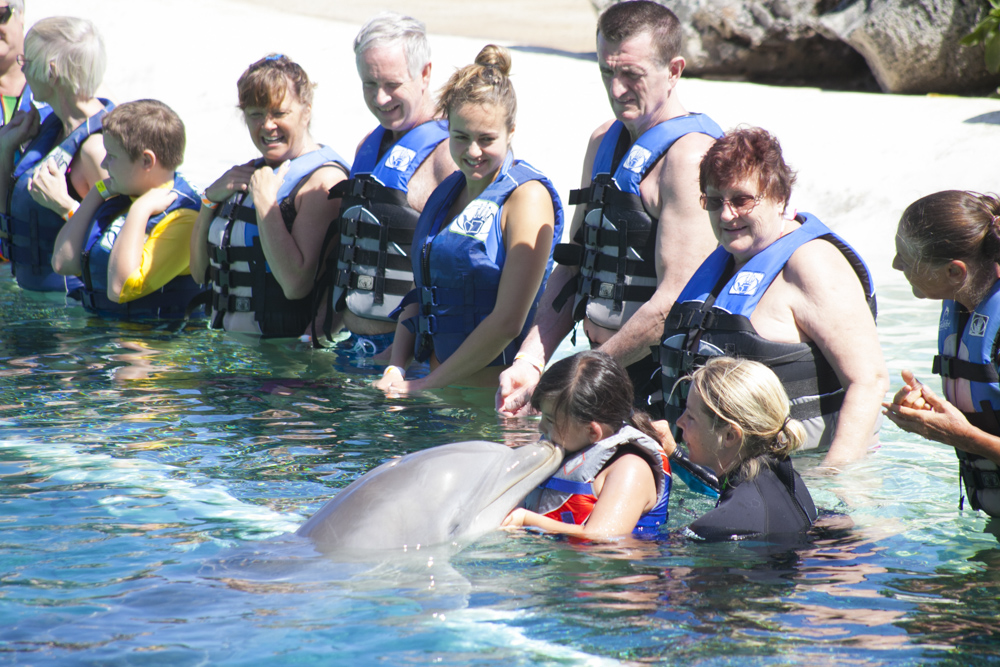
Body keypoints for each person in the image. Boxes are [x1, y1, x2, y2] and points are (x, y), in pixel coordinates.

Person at [496, 0, 722, 414]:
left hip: (660, 384)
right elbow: (573, 263)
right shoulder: (603, 142)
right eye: (607, 72)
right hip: (601, 369)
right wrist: (531, 360)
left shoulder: (688, 157)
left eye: (631, 74)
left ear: (674, 71)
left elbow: (672, 303)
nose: (616, 90)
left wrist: (581, 379)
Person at [656, 126, 887, 469]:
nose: (725, 215)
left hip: (803, 473)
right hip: (723, 474)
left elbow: (869, 381)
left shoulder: (811, 264)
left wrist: (835, 478)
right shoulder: (724, 261)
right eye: (714, 201)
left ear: (780, 197)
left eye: (741, 199)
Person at [373, 44, 563, 391]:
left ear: (511, 133)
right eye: (460, 137)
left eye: (487, 139)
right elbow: (422, 288)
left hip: (492, 409)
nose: (473, 152)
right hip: (434, 390)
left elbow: (508, 321)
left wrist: (425, 386)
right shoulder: (447, 193)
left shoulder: (526, 198)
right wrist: (397, 367)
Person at [316, 12, 455, 358]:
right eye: (369, 84)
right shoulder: (368, 145)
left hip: (408, 361)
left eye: (392, 85)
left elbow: (459, 272)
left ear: (425, 74)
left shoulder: (449, 153)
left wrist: (405, 359)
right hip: (350, 348)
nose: (380, 99)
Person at [189, 54, 349, 337]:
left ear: (306, 111)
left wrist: (265, 204)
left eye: (279, 113)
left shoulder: (323, 181)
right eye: (255, 114)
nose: (267, 125)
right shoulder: (248, 173)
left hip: (283, 362)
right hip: (230, 356)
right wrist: (208, 202)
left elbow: (295, 284)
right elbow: (199, 273)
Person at [883, 191, 1000, 518]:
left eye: (906, 257)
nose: (895, 264)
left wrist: (962, 436)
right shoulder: (964, 306)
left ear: (954, 272)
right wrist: (938, 416)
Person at [50, 99, 202, 319]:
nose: (103, 165)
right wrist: (96, 193)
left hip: (155, 346)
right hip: (108, 336)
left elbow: (120, 289)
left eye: (111, 156)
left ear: (146, 161)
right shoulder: (124, 197)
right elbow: (62, 262)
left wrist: (140, 211)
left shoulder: (183, 217)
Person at [502, 350, 671, 538]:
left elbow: (604, 539)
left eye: (550, 420)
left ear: (592, 431)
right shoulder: (566, 447)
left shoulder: (631, 468)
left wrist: (526, 521)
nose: (541, 427)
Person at [0, 16, 111, 292]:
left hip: (73, 320)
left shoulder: (97, 149)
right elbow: (10, 221)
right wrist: (4, 151)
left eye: (26, 63)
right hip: (37, 304)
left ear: (51, 71)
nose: (22, 70)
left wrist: (66, 206)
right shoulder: (52, 128)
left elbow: (120, 253)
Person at [675, 356, 817, 541]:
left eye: (691, 417)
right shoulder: (791, 481)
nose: (679, 422)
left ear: (729, 436)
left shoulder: (716, 527)